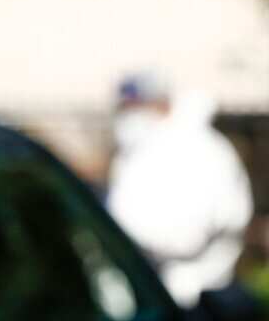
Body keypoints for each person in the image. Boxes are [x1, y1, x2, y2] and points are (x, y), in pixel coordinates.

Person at [107, 73, 254, 308]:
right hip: (148, 290)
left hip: (195, 296)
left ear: (162, 103)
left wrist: (126, 243)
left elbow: (188, 236)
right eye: (125, 107)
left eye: (136, 106)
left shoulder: (202, 149)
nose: (130, 115)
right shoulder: (138, 150)